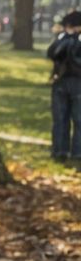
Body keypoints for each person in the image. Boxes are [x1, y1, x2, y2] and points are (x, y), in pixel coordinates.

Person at [49, 10, 81, 163]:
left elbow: (54, 53)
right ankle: (72, 151)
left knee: (63, 118)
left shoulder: (65, 40)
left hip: (64, 81)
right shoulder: (65, 39)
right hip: (70, 82)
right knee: (71, 119)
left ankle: (62, 150)